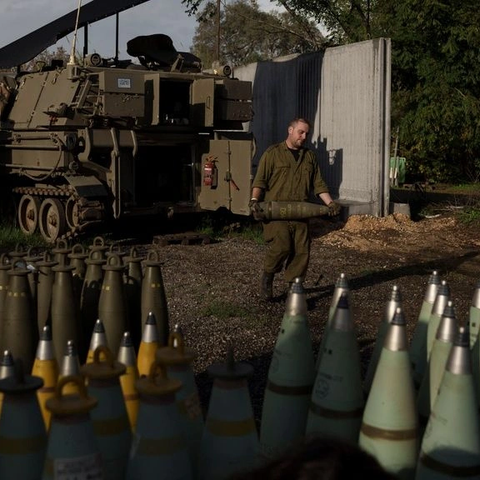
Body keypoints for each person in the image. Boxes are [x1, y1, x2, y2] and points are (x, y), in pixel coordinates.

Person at [249, 117, 341, 301]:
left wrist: (330, 204)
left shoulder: (309, 157)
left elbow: (319, 185)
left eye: (307, 133)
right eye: (301, 132)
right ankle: (267, 278)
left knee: (301, 252)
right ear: (290, 130)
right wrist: (254, 201)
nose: (304, 136)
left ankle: (294, 291)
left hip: (300, 213)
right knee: (281, 247)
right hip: (277, 213)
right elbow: (260, 180)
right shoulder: (273, 153)